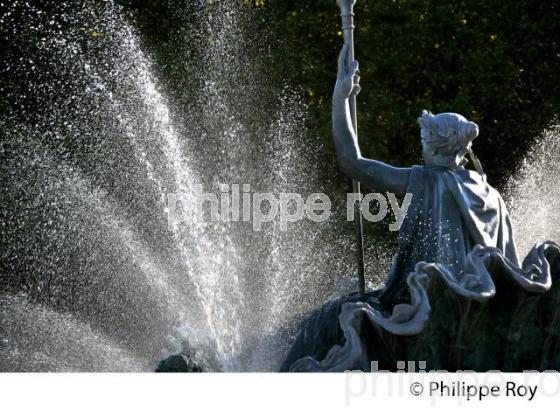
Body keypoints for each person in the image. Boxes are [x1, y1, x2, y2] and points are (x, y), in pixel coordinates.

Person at [280, 45, 559, 372]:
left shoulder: (426, 181)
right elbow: (510, 265)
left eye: (424, 143)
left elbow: (352, 162)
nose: (421, 149)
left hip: (422, 313)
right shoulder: (491, 194)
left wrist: (341, 97)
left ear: (438, 147)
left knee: (327, 319)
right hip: (478, 324)